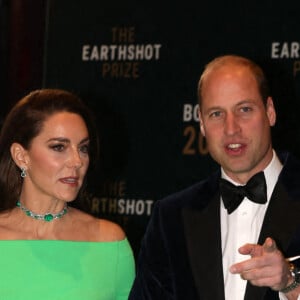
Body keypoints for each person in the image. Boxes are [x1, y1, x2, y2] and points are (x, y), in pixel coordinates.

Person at [129, 55, 300, 300]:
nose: (231, 129)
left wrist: (291, 283)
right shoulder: (170, 219)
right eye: (217, 114)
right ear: (201, 123)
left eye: (244, 109)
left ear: (270, 112)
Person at [0, 88, 135, 299]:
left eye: (83, 148)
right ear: (21, 156)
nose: (77, 161)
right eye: (59, 147)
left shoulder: (110, 243)